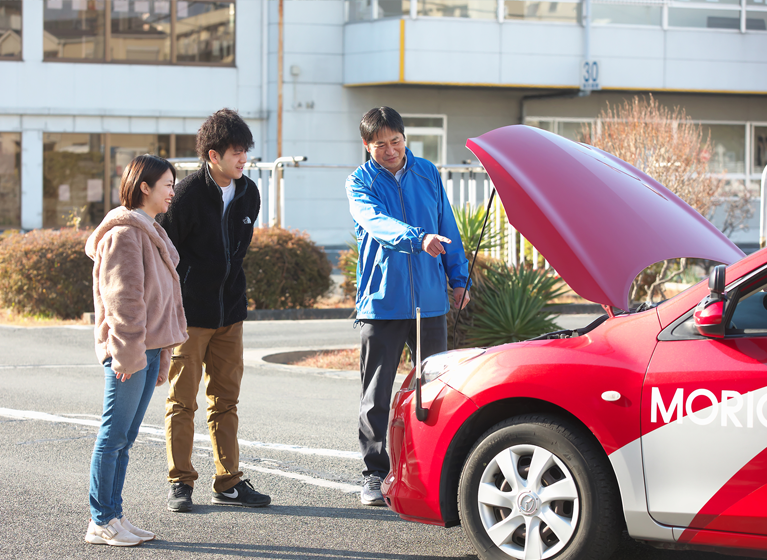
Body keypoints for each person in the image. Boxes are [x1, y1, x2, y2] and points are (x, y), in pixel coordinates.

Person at [345, 106, 471, 506]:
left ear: (405, 138)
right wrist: (417, 238)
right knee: (377, 395)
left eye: (395, 141)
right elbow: (375, 221)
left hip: (431, 303)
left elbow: (447, 226)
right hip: (382, 304)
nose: (390, 150)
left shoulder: (428, 173)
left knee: (434, 392)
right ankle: (374, 473)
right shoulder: (359, 182)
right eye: (380, 144)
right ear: (367, 146)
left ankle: (431, 470)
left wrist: (458, 278)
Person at [157, 108, 270, 512]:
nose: (243, 159)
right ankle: (180, 481)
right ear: (212, 155)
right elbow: (164, 250)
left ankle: (228, 482)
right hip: (189, 317)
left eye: (245, 151)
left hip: (231, 314)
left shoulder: (249, 192)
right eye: (235, 152)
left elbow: (236, 253)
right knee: (182, 401)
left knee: (226, 400)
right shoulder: (187, 193)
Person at [84, 155, 188, 546]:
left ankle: (114, 516)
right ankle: (101, 520)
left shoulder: (148, 230)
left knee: (124, 438)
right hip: (130, 352)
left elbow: (157, 301)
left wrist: (159, 353)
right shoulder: (124, 234)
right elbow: (123, 300)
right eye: (166, 185)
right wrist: (128, 353)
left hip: (147, 350)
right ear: (144, 187)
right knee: (113, 437)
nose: (172, 192)